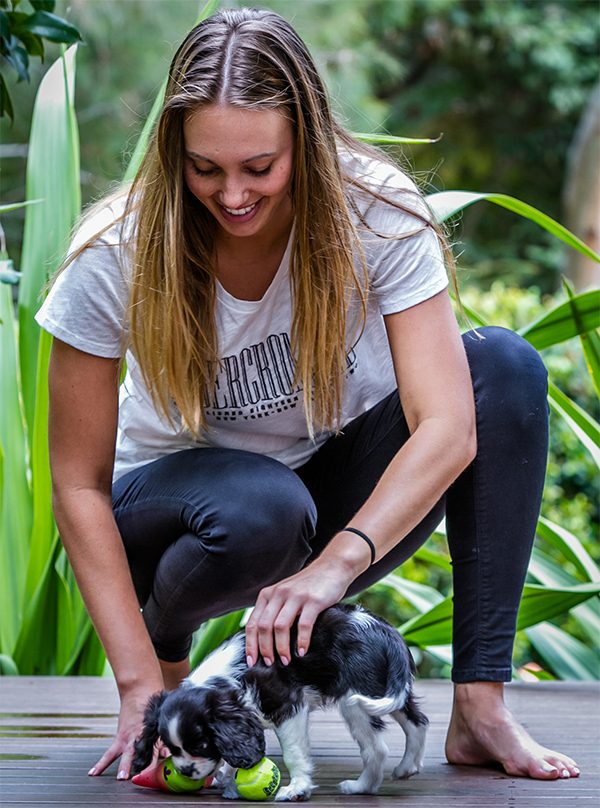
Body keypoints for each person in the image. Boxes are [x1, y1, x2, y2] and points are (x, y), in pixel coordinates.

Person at [37, 6, 579, 786]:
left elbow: (449, 427)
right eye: (205, 169)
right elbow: (78, 484)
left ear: (307, 141)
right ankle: (170, 662)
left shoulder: (379, 215)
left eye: (259, 167)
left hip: (315, 518)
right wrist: (138, 687)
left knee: (505, 368)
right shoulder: (116, 250)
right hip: (168, 524)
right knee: (262, 501)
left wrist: (335, 568)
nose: (231, 195)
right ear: (173, 152)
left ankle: (480, 708)